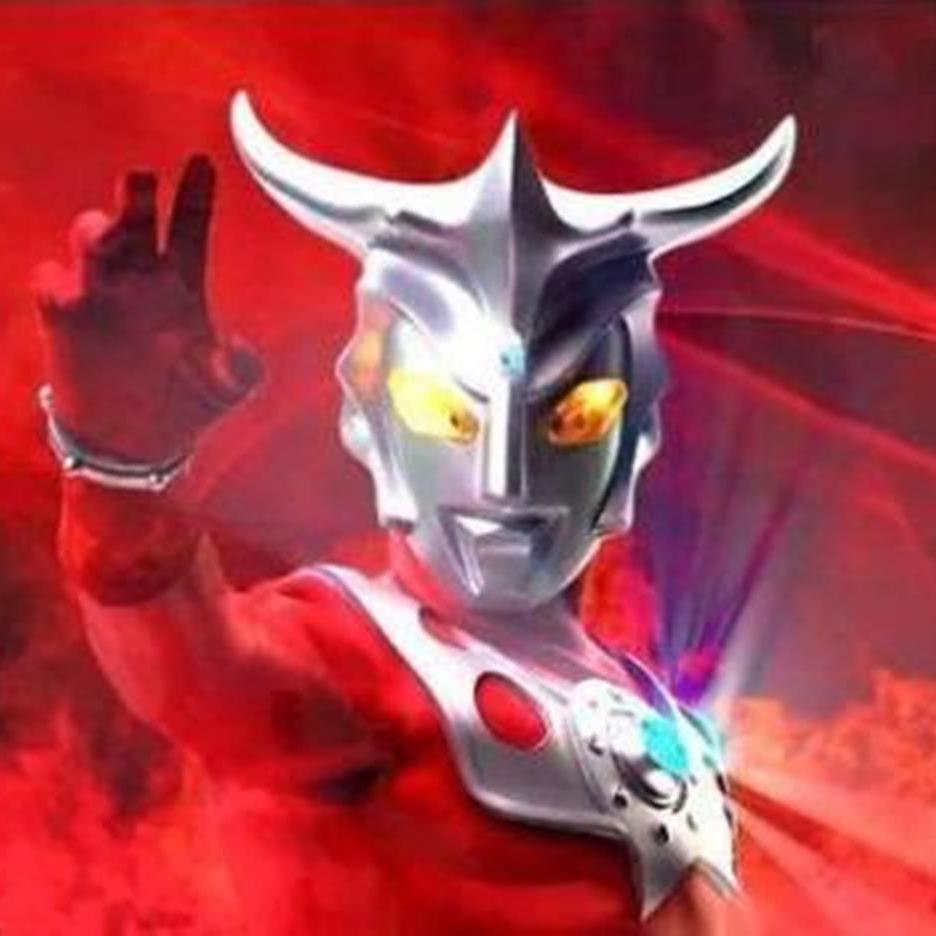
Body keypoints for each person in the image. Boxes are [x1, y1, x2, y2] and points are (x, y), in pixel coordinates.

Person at [34, 92, 795, 935]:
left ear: (638, 432)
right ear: (369, 419)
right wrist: (118, 465)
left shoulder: (652, 711)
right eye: (448, 413)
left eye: (572, 417)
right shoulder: (347, 663)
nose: (505, 481)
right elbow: (196, 669)